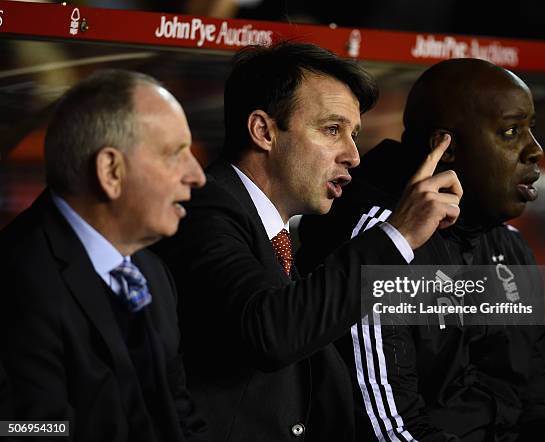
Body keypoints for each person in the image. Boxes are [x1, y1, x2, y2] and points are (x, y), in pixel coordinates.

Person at [152, 42, 462, 441]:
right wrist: (398, 234)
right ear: (263, 131)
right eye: (332, 130)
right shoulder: (202, 209)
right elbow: (271, 332)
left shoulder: (275, 234)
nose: (353, 155)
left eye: (354, 135)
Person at [297, 58, 545, 441]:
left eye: (532, 130)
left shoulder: (508, 245)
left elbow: (537, 405)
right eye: (512, 131)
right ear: (444, 148)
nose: (535, 151)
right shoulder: (380, 242)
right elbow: (388, 431)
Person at [0, 69, 208, 441]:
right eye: (174, 155)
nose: (197, 175)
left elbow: (179, 417)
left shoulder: (153, 273)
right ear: (110, 170)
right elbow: (27, 430)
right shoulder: (17, 281)